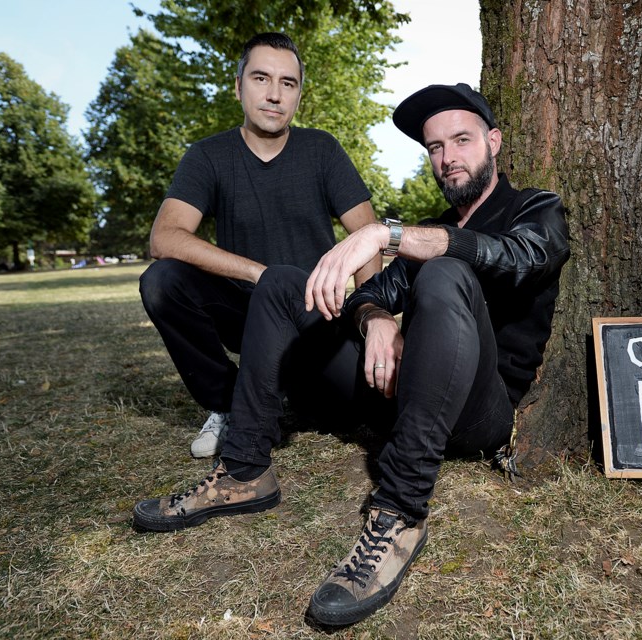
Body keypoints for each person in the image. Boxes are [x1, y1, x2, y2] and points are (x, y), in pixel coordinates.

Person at [133, 83, 571, 626]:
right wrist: (377, 318)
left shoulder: (535, 208)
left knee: (446, 269)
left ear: (494, 141)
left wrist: (390, 235)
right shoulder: (433, 226)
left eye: (461, 140)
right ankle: (245, 469)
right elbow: (369, 293)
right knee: (285, 284)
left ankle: (400, 512)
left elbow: (519, 255)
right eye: (435, 147)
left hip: (478, 413)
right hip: (404, 397)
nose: (448, 157)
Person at [138, 32, 380, 459]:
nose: (274, 94)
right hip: (246, 313)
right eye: (261, 78)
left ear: (299, 95)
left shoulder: (322, 149)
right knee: (161, 280)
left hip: (313, 314)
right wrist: (259, 274)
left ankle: (283, 390)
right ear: (238, 87)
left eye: (288, 83)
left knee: (343, 413)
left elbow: (367, 234)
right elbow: (165, 237)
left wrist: (371, 316)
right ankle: (227, 401)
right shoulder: (208, 156)